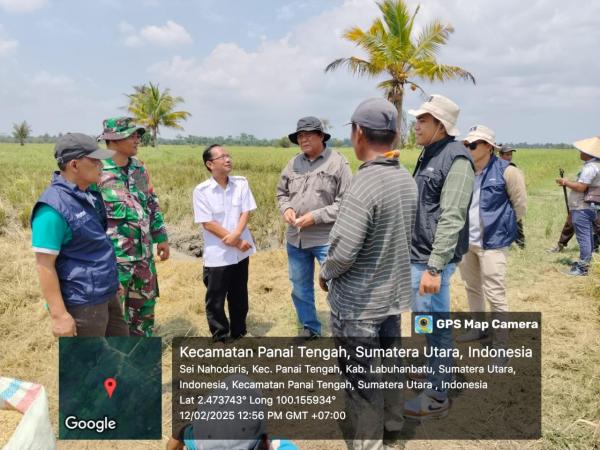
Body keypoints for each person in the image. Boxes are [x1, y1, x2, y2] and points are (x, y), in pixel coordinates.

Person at [319, 98, 417, 449]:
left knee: (362, 379)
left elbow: (344, 250)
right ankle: (393, 423)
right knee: (390, 364)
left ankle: (367, 443)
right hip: (392, 296)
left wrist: (327, 273)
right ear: (393, 135)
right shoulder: (405, 179)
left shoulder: (365, 183)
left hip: (359, 302)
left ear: (358, 133)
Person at [404, 95, 475, 419]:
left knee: (437, 326)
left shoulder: (456, 159)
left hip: (433, 261)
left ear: (440, 125)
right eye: (417, 119)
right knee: (425, 320)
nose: (415, 125)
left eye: (423, 120)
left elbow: (452, 217)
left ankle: (436, 393)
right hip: (418, 256)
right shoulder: (429, 153)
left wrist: (434, 267)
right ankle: (434, 368)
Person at [32, 133, 128, 337]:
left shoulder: (90, 194)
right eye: (95, 160)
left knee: (119, 356)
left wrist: (112, 280)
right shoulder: (52, 208)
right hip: (82, 302)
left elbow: (95, 244)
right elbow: (44, 264)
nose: (101, 165)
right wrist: (59, 316)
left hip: (106, 292)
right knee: (88, 365)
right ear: (74, 165)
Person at [276, 117, 352, 339]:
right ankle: (310, 327)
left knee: (337, 286)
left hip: (326, 239)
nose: (303, 138)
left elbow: (346, 203)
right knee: (299, 287)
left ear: (321, 136)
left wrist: (316, 217)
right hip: (296, 239)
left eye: (309, 134)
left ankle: (346, 330)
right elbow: (281, 193)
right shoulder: (293, 164)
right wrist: (287, 209)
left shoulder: (338, 163)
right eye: (300, 135)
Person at [96, 117, 169, 337]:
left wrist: (160, 236)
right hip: (113, 261)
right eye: (132, 135)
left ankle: (141, 361)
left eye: (138, 134)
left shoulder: (138, 167)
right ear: (114, 139)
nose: (138, 139)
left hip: (143, 259)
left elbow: (150, 202)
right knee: (114, 319)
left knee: (144, 317)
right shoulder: (95, 167)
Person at [456, 126, 527, 345]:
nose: (468, 148)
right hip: (467, 241)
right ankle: (479, 329)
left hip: (493, 243)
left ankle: (501, 345)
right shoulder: (463, 171)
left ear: (488, 147)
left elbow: (520, 206)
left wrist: (502, 229)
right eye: (466, 144)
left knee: (495, 293)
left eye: (473, 144)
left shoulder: (508, 171)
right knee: (472, 287)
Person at [192, 144, 256, 342]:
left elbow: (246, 211)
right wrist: (236, 241)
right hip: (218, 254)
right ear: (210, 164)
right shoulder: (202, 191)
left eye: (228, 155)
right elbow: (207, 223)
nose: (228, 159)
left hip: (240, 253)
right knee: (216, 299)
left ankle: (239, 332)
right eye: (222, 157)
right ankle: (220, 336)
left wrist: (236, 236)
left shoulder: (241, 183)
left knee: (239, 295)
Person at [555, 136, 600, 276]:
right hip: (591, 207)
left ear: (588, 153)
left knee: (584, 239)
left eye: (582, 150)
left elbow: (581, 187)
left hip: (582, 207)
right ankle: (587, 263)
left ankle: (582, 268)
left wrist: (565, 182)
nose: (579, 152)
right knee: (589, 237)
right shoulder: (597, 165)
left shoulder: (590, 168)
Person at [499, 145, 526, 248]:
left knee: (517, 221)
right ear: (500, 155)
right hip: (502, 199)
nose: (509, 156)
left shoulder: (512, 168)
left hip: (511, 199)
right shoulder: (497, 167)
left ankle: (521, 245)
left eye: (511, 154)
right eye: (507, 154)